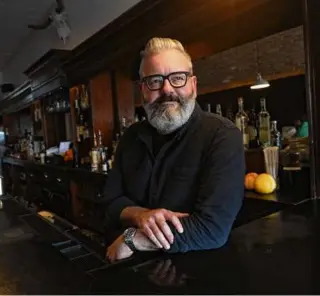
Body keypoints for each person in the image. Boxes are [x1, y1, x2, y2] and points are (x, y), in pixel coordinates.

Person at [103, 37, 245, 262]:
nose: (167, 89)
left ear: (194, 86)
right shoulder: (131, 137)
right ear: (143, 90)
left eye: (178, 78)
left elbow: (212, 229)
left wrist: (133, 238)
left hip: (194, 275)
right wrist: (141, 216)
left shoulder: (222, 135)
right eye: (155, 81)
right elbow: (110, 202)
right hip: (129, 269)